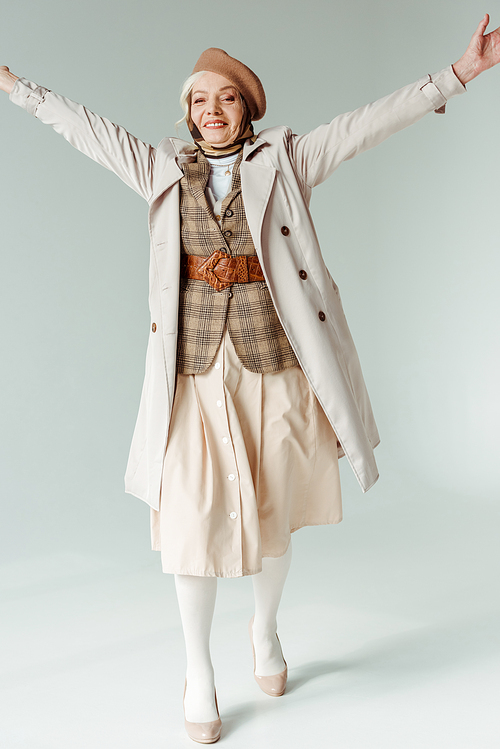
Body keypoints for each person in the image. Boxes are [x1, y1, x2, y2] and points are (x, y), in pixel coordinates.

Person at [1, 15, 499, 744]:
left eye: (226, 98)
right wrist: (17, 88)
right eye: (200, 99)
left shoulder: (286, 161)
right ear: (186, 110)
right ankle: (198, 669)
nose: (211, 110)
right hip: (194, 375)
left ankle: (264, 632)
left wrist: (455, 74)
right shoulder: (159, 167)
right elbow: (88, 128)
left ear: (248, 108)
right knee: (187, 522)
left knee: (274, 511)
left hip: (274, 365)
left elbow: (368, 124)